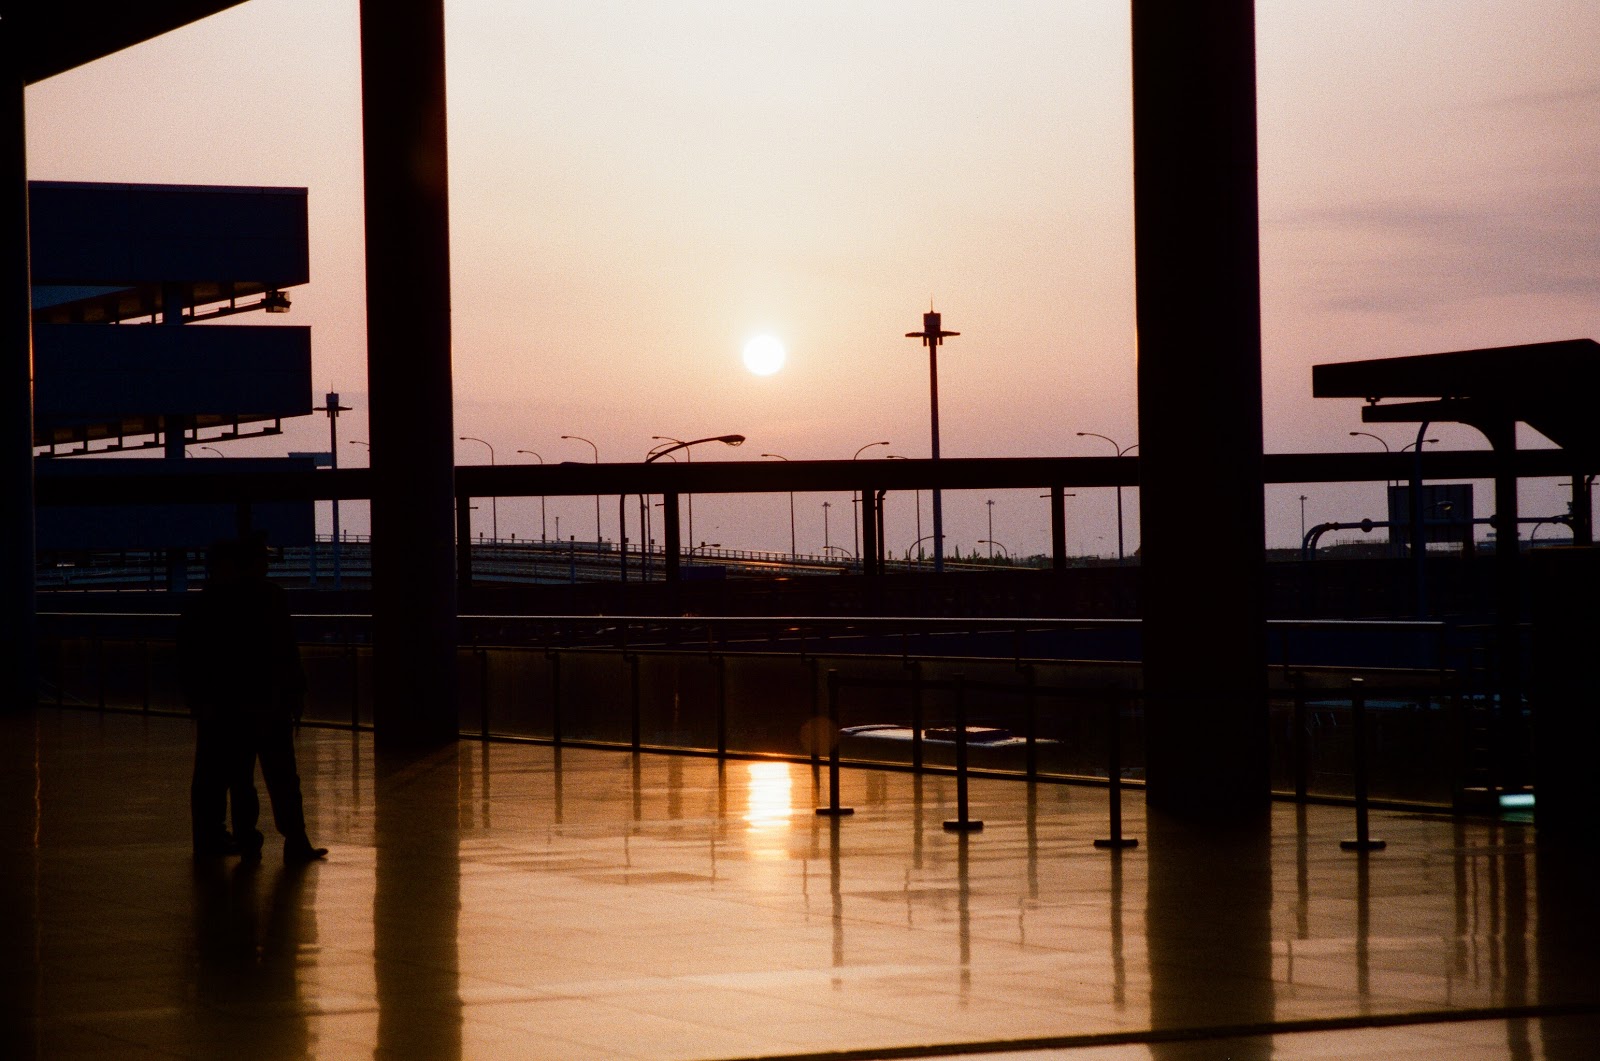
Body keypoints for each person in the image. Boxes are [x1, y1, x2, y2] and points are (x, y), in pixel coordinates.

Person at [181, 535, 326, 863]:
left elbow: (193, 658)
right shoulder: (272, 597)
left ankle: (247, 838)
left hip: (228, 707)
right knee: (283, 775)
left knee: (238, 777)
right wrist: (296, 693)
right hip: (270, 703)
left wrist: (199, 700)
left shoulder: (207, 604)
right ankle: (295, 839)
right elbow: (286, 650)